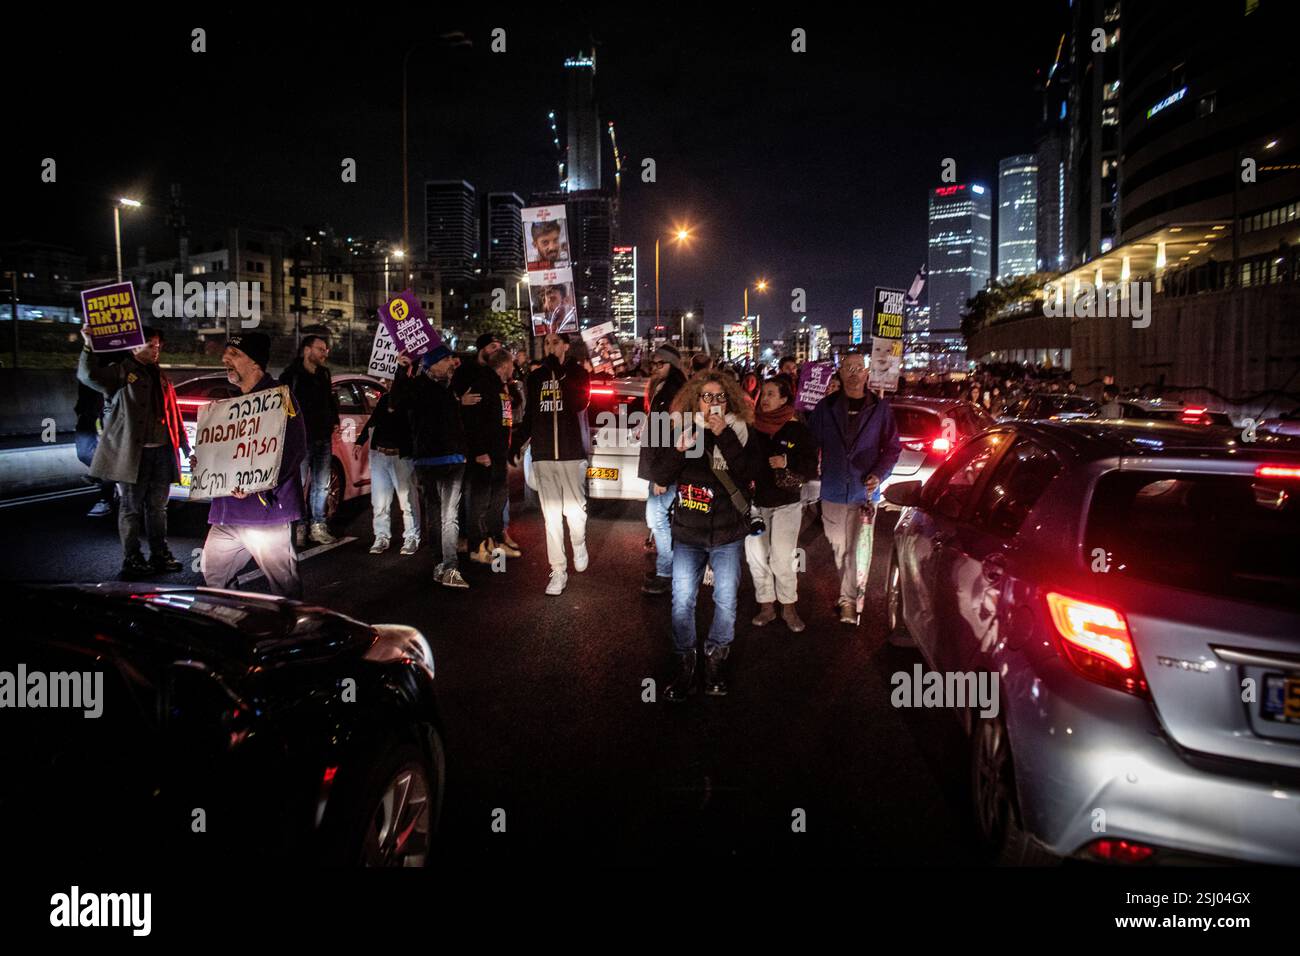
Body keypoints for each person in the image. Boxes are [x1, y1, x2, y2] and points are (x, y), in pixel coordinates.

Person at [654, 370, 761, 701]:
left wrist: (725, 435)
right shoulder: (686, 431)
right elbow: (660, 476)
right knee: (682, 602)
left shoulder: (740, 431)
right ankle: (685, 664)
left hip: (727, 534)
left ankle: (716, 660)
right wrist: (678, 449)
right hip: (689, 533)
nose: (713, 404)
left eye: (719, 397)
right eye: (706, 397)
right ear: (695, 401)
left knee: (726, 601)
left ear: (728, 400)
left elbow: (748, 475)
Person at [77, 324, 190, 580]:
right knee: (130, 508)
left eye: (158, 345)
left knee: (158, 508)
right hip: (133, 456)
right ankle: (132, 558)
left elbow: (173, 414)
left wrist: (184, 445)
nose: (156, 349)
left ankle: (159, 554)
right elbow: (88, 376)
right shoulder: (121, 372)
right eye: (150, 344)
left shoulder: (160, 376)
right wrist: (87, 344)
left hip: (162, 453)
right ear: (135, 346)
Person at [199, 333, 307, 598]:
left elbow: (295, 449)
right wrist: (204, 460)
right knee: (212, 575)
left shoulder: (280, 398)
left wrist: (258, 485)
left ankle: (295, 631)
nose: (226, 358)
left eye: (234, 355)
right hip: (227, 514)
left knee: (284, 586)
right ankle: (228, 619)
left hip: (266, 515)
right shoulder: (229, 403)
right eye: (226, 354)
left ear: (256, 363)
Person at [807, 351, 901, 626]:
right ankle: (850, 592)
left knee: (855, 550)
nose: (854, 373)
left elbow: (892, 448)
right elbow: (811, 442)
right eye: (848, 368)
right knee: (839, 548)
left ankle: (848, 600)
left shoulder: (880, 409)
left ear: (867, 372)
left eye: (858, 368)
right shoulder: (826, 407)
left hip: (864, 493)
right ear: (840, 373)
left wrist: (879, 474)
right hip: (833, 490)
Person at [509, 332, 590, 596]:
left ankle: (578, 543)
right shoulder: (536, 377)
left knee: (575, 513)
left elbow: (579, 403)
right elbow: (532, 413)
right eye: (547, 343)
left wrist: (562, 374)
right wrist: (517, 442)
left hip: (570, 453)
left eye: (556, 342)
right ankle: (558, 570)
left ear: (566, 345)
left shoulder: (578, 373)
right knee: (551, 517)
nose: (550, 346)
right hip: (543, 455)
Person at [746, 377, 818, 632]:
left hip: (786, 502)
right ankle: (766, 604)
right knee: (756, 555)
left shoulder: (797, 429)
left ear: (785, 398)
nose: (764, 399)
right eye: (763, 394)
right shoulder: (751, 427)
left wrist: (786, 462)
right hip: (755, 504)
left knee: (782, 558)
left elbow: (811, 466)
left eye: (771, 394)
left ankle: (788, 605)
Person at [395, 345, 470, 589]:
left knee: (449, 516)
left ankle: (449, 566)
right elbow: (396, 401)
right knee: (437, 516)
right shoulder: (417, 387)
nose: (452, 363)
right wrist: (401, 370)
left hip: (454, 461)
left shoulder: (449, 388)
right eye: (447, 359)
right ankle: (441, 563)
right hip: (428, 463)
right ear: (432, 364)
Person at [278, 334, 340, 545]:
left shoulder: (324, 374)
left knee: (321, 485)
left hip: (323, 437)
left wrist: (334, 420)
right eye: (321, 349)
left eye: (326, 349)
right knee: (299, 483)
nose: (325, 353)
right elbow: (282, 406)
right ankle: (300, 526)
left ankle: (318, 526)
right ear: (307, 350)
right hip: (301, 440)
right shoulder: (291, 376)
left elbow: (329, 400)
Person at [463, 348, 519, 565]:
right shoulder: (482, 386)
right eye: (512, 364)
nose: (513, 368)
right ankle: (476, 546)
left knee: (498, 496)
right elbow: (471, 421)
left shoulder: (500, 386)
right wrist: (478, 451)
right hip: (485, 455)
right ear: (504, 365)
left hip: (498, 452)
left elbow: (509, 410)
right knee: (480, 500)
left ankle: (495, 539)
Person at [639, 344, 687, 596]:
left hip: (664, 471)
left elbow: (676, 438)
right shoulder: (662, 390)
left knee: (657, 519)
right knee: (656, 519)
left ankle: (666, 572)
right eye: (653, 364)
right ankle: (669, 569)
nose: (654, 368)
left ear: (673, 365)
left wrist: (663, 476)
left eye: (660, 363)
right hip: (659, 468)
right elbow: (660, 430)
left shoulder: (674, 392)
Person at [355, 378, 419, 556]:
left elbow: (413, 427)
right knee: (379, 501)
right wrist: (360, 442)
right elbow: (373, 421)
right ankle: (381, 536)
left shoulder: (410, 401)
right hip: (380, 455)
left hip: (401, 456)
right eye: (389, 382)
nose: (390, 384)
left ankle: (412, 536)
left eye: (394, 381)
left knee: (407, 501)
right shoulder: (384, 400)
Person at [73, 376, 116, 517]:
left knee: (108, 461)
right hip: (89, 415)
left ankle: (106, 499)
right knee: (84, 453)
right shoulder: (89, 366)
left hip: (111, 415)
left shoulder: (119, 365)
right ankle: (100, 473)